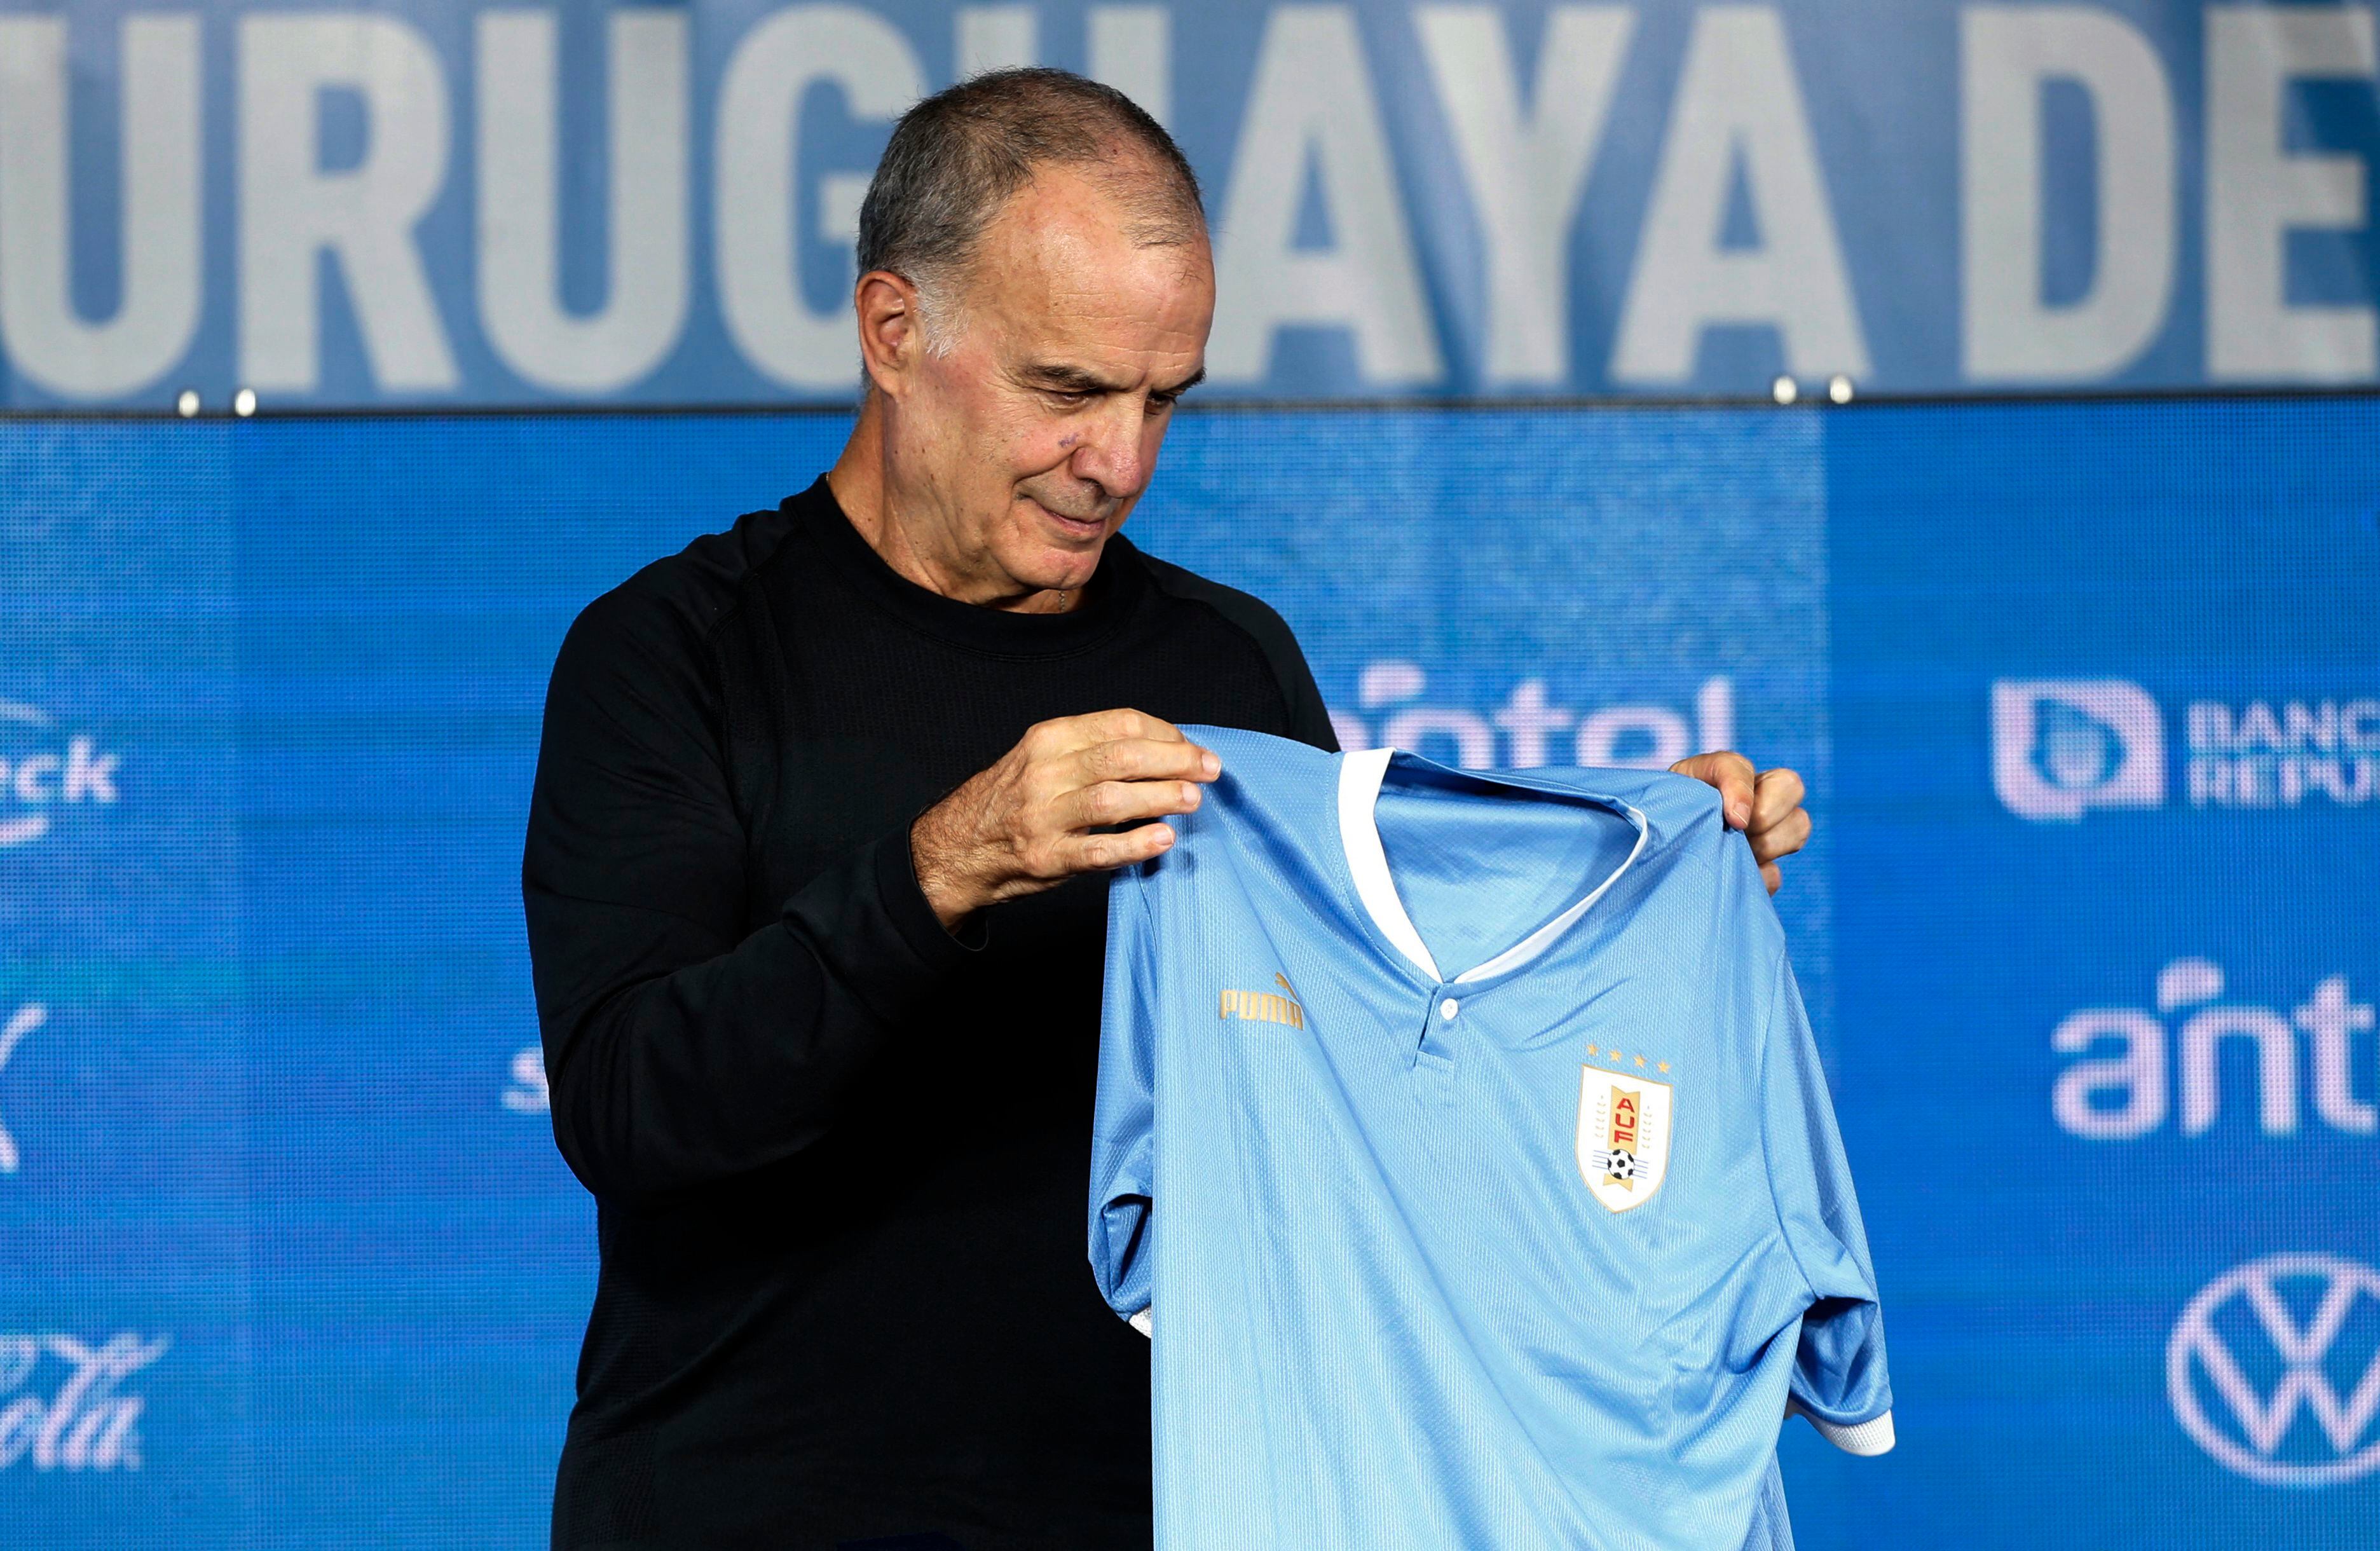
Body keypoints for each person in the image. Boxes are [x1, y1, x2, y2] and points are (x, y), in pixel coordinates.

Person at [523, 67, 1812, 1550]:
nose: (1118, 464)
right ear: (896, 331)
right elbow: (631, 1106)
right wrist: (946, 864)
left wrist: (1631, 881)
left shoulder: (1224, 661)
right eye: (1067, 391)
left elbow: (1391, 1075)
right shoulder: (672, 653)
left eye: (1161, 400)